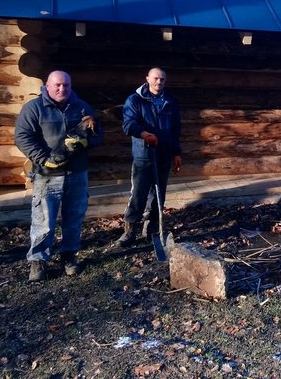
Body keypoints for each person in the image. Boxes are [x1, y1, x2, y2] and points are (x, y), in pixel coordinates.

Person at [15, 70, 103, 282]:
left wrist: (87, 141)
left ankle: (69, 255)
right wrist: (43, 158)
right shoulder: (34, 108)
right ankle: (38, 260)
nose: (62, 89)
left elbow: (98, 133)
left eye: (66, 85)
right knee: (44, 220)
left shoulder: (81, 107)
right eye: (57, 85)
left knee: (74, 218)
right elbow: (22, 137)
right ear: (47, 86)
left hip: (77, 173)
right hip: (47, 175)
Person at [114, 67, 183, 256]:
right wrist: (144, 134)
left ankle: (152, 228)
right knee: (139, 193)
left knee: (159, 193)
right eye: (155, 78)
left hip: (164, 154)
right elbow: (129, 124)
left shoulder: (170, 101)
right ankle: (130, 231)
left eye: (162, 79)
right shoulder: (135, 100)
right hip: (143, 154)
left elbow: (176, 129)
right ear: (147, 79)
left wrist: (176, 153)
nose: (159, 82)